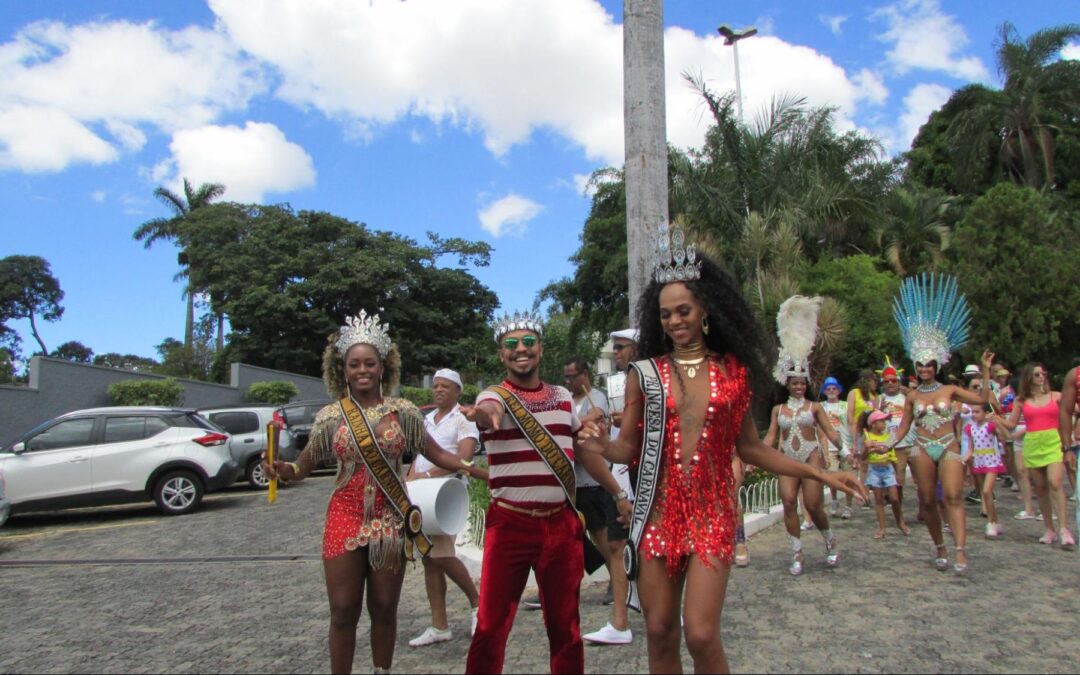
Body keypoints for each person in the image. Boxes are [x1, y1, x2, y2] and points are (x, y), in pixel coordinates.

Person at [577, 223, 867, 673]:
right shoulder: (645, 375)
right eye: (666, 314)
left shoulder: (734, 374)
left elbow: (750, 448)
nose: (675, 321)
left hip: (711, 514)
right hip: (657, 513)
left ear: (705, 310)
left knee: (700, 633)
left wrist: (820, 473)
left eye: (684, 310)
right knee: (659, 632)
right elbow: (626, 449)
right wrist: (597, 445)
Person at [263, 311, 487, 675]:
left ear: (383, 367)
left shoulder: (404, 413)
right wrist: (282, 470)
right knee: (343, 609)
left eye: (370, 363)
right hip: (344, 516)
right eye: (354, 364)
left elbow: (437, 454)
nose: (362, 370)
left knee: (383, 607)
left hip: (390, 519)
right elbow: (302, 466)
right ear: (343, 370)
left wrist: (477, 470)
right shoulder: (331, 416)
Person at [461, 311, 608, 674]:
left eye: (528, 342)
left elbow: (574, 437)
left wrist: (590, 430)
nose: (521, 349)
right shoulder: (494, 395)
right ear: (501, 355)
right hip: (510, 525)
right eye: (511, 344)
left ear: (541, 349)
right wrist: (483, 415)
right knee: (491, 627)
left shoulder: (562, 396)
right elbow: (489, 411)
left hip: (561, 526)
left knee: (566, 629)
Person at [889, 274, 993, 575]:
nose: (924, 369)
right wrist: (887, 444)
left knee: (953, 497)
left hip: (949, 446)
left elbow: (982, 398)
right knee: (926, 502)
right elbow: (903, 427)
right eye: (920, 365)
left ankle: (960, 550)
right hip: (921, 448)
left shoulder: (949, 390)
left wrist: (986, 371)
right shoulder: (911, 396)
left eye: (929, 365)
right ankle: (940, 547)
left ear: (937, 366)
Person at [761, 297, 848, 576]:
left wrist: (843, 449)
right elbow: (771, 436)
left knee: (812, 504)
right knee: (788, 502)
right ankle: (796, 551)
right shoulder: (778, 410)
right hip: (787, 459)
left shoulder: (815, 407)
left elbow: (830, 431)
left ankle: (829, 539)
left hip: (811, 456)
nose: (799, 387)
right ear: (787, 384)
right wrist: (756, 457)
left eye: (802, 383)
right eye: (794, 383)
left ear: (806, 384)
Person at [405, 368, 481, 648]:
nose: (438, 390)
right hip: (422, 495)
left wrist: (426, 475)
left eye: (445, 386)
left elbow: (464, 459)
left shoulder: (463, 419)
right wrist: (411, 478)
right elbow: (419, 456)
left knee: (442, 555)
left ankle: (478, 603)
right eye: (436, 385)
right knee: (429, 558)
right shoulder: (426, 420)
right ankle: (439, 625)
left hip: (447, 494)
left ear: (458, 391)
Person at [582, 330, 638, 645]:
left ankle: (669, 609)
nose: (615, 352)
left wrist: (627, 421)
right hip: (618, 471)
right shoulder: (618, 383)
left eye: (621, 347)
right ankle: (620, 621)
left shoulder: (652, 381)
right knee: (616, 545)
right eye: (614, 348)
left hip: (644, 470)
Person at [994, 364, 1074, 548]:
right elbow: (1011, 424)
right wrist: (997, 418)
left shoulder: (1056, 396)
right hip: (1032, 443)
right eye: (1037, 374)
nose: (1041, 377)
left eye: (1043, 374)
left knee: (1055, 483)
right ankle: (1049, 529)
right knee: (1041, 488)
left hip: (1053, 441)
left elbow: (1071, 410)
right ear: (1029, 378)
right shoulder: (1021, 400)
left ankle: (1064, 528)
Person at [963, 403, 1008, 539]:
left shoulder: (990, 426)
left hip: (991, 460)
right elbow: (971, 449)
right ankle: (994, 521)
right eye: (972, 412)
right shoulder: (970, 428)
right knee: (984, 493)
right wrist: (963, 459)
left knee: (987, 491)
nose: (974, 414)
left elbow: (1005, 436)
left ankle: (991, 523)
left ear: (985, 413)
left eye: (977, 412)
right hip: (979, 461)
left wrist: (996, 422)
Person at [862, 410, 909, 538]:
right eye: (881, 421)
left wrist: (897, 473)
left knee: (894, 499)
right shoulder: (867, 437)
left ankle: (900, 522)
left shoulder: (889, 436)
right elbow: (863, 457)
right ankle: (882, 529)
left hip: (888, 469)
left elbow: (893, 457)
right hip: (874, 469)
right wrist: (867, 448)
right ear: (873, 424)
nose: (884, 424)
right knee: (878, 500)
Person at [878, 359, 916, 519]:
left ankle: (925, 511)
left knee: (923, 479)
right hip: (895, 446)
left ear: (899, 381)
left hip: (914, 443)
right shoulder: (879, 399)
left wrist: (912, 394)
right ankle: (899, 515)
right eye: (887, 381)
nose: (890, 383)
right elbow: (871, 423)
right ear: (882, 383)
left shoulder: (908, 396)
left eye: (893, 380)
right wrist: (879, 411)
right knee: (897, 483)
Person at [820, 376, 856, 519]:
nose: (831, 391)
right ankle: (834, 501)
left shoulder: (846, 406)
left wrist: (854, 445)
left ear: (839, 390)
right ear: (824, 391)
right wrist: (824, 452)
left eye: (834, 388)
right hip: (829, 446)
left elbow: (852, 424)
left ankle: (848, 506)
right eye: (828, 389)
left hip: (846, 444)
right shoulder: (821, 407)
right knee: (832, 476)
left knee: (849, 478)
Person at [847, 370, 880, 491]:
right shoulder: (854, 393)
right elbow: (850, 415)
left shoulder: (875, 396)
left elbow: (876, 415)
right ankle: (862, 490)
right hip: (857, 431)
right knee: (861, 463)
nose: (876, 383)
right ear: (867, 381)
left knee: (870, 461)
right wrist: (854, 438)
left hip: (870, 432)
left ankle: (872, 487)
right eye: (874, 381)